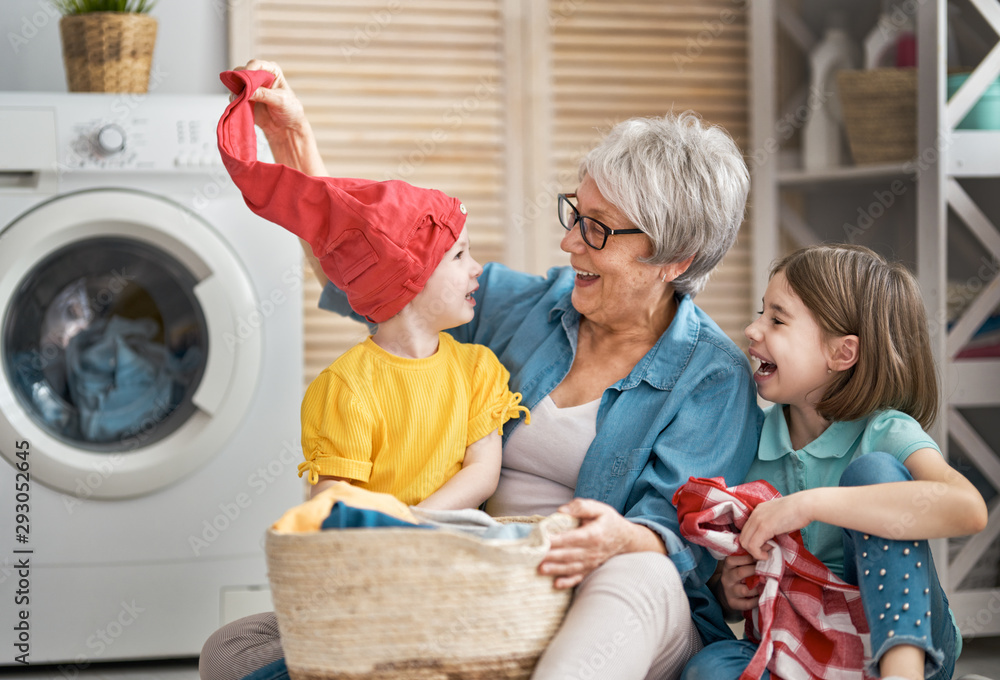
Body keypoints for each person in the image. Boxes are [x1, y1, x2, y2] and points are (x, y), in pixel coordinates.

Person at [200, 59, 762, 680]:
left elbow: (676, 540)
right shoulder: (530, 306)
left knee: (640, 567)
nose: (569, 242)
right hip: (482, 584)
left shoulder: (711, 377)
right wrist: (294, 144)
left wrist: (621, 537)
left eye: (597, 230)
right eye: (576, 211)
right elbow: (387, 272)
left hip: (606, 598)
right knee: (235, 651)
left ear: (674, 261)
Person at [216, 68, 529, 511]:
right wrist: (394, 534)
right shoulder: (345, 387)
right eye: (459, 256)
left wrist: (416, 522)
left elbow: (481, 474)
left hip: (453, 543)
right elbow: (333, 499)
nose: (479, 269)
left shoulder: (479, 369)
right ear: (408, 283)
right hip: (378, 553)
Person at [682, 244, 988, 680]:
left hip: (908, 650)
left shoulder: (885, 431)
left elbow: (968, 509)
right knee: (708, 669)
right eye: (758, 313)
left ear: (842, 354)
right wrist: (727, 591)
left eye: (777, 319)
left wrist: (808, 504)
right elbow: (722, 577)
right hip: (803, 647)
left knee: (874, 475)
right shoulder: (748, 438)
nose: (752, 330)